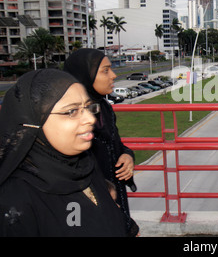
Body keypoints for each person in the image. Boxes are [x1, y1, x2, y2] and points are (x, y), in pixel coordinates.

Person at [0, 69, 127, 236]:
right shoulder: (14, 201)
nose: (90, 118)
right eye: (71, 111)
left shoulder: (84, 164)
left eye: (88, 107)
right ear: (32, 122)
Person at [64, 48, 138, 235]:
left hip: (115, 199)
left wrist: (128, 156)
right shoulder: (69, 119)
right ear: (85, 75)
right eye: (105, 70)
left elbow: (118, 146)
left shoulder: (104, 108)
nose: (113, 75)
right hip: (90, 207)